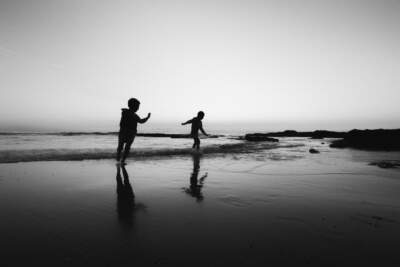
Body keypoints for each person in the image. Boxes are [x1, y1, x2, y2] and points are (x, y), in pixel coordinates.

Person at [116, 98, 151, 164]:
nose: (138, 108)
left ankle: (121, 160)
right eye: (137, 106)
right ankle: (120, 159)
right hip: (126, 132)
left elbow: (141, 121)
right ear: (132, 106)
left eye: (138, 107)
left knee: (124, 147)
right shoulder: (126, 113)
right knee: (123, 147)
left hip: (129, 132)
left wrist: (147, 117)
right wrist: (147, 117)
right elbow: (140, 121)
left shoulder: (128, 113)